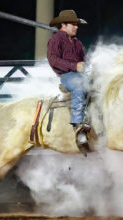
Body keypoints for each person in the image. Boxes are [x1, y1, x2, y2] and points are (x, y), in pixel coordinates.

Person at [47, 9, 89, 145]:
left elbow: (84, 60)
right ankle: (78, 125)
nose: (76, 27)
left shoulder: (77, 43)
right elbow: (53, 59)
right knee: (79, 85)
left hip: (81, 75)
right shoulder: (56, 39)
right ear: (63, 25)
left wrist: (87, 66)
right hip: (67, 76)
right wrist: (75, 66)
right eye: (73, 24)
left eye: (77, 24)